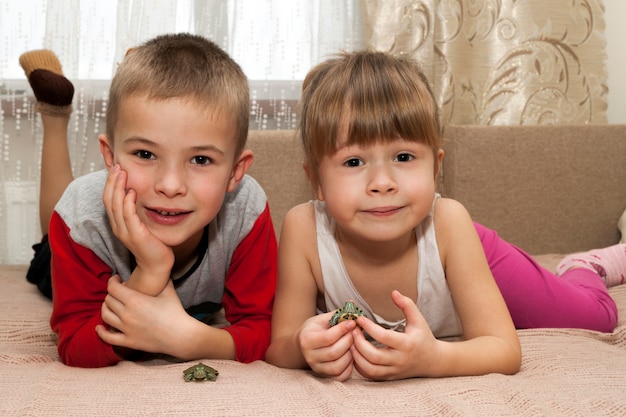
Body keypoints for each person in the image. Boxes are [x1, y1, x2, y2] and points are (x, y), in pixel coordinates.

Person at [265, 50, 625, 381]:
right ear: (317, 182)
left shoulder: (450, 220)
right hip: (442, 249)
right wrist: (301, 346)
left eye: (403, 157)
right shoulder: (304, 227)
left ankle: (584, 265)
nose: (382, 183)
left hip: (461, 249)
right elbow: (279, 346)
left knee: (595, 318)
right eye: (354, 162)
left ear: (436, 168)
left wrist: (434, 358)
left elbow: (503, 349)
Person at [20, 33, 277, 368]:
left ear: (235, 172)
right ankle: (55, 114)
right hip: (77, 240)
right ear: (110, 157)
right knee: (47, 246)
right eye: (145, 153)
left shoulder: (246, 209)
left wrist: (189, 339)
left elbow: (264, 329)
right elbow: (76, 346)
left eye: (200, 160)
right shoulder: (82, 221)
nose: (170, 186)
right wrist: (151, 271)